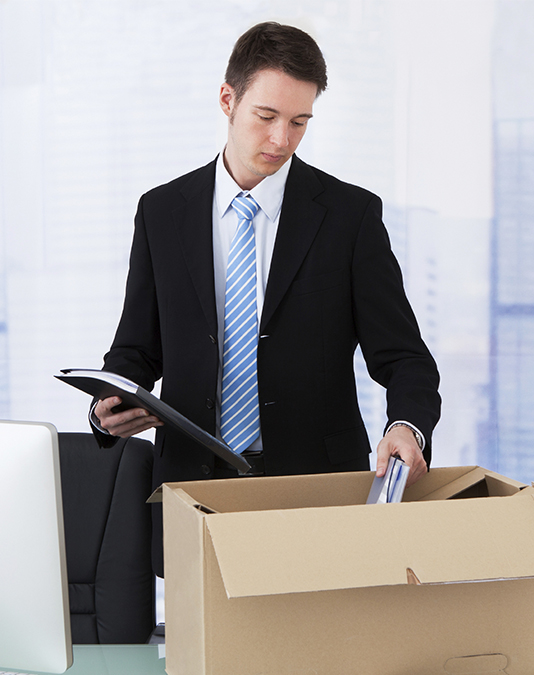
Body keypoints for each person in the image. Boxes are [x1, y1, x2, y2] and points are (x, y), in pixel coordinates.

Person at [91, 21, 440, 571]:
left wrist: (406, 426)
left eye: (299, 122)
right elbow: (136, 349)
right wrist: (107, 406)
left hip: (317, 493)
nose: (282, 140)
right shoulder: (162, 212)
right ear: (227, 100)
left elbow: (405, 358)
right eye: (267, 116)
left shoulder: (349, 217)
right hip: (192, 491)